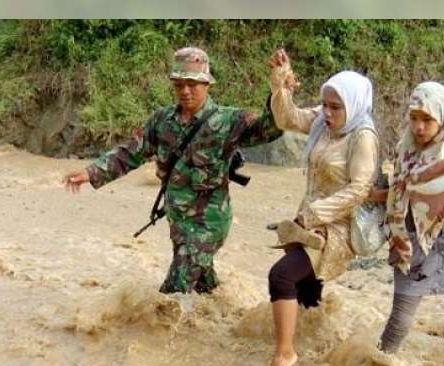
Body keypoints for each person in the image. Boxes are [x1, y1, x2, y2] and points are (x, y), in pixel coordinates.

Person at [63, 47, 282, 294]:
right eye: (179, 85)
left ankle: (156, 330)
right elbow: (131, 152)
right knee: (202, 287)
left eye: (192, 84)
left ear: (207, 84)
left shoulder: (228, 121)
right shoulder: (162, 121)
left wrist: (278, 89)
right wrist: (90, 173)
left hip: (208, 224)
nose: (185, 91)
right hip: (178, 221)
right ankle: (218, 316)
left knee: (172, 294)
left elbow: (271, 127)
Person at [265, 48, 380, 366]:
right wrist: (280, 84)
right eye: (325, 104)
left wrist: (316, 214)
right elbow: (287, 119)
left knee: (281, 276)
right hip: (307, 220)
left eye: (335, 107)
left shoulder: (363, 137)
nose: (326, 113)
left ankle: (285, 353)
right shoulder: (323, 122)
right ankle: (320, 351)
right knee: (306, 291)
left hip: (337, 226)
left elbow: (360, 189)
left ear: (354, 105)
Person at [377, 81, 444, 355]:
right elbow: (397, 193)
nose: (419, 127)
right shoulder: (406, 150)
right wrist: (365, 195)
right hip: (414, 249)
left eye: (427, 119)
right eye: (413, 118)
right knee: (398, 323)